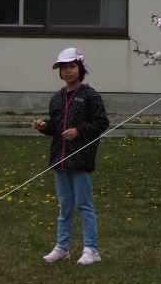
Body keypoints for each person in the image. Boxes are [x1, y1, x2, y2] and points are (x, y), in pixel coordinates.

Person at [33, 47, 109, 266]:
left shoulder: (90, 95)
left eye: (72, 67)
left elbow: (101, 123)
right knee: (65, 205)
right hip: (60, 159)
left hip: (81, 158)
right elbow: (55, 126)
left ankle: (91, 249)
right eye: (64, 68)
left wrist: (79, 131)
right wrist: (44, 126)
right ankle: (62, 247)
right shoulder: (57, 98)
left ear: (80, 68)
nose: (68, 72)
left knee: (84, 205)